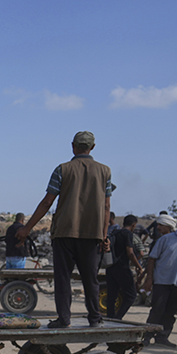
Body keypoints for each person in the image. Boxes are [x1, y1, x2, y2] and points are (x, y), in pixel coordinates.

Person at [17, 131, 113, 328]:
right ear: (93, 148)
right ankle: (94, 318)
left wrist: (27, 228)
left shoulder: (62, 169)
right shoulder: (105, 171)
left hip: (64, 233)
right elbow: (106, 207)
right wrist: (104, 235)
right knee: (90, 280)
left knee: (63, 279)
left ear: (73, 146)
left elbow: (46, 203)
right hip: (92, 234)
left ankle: (64, 319)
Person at [142, 213, 177, 347]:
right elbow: (152, 259)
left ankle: (162, 337)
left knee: (171, 311)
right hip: (162, 281)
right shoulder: (166, 239)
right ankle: (146, 336)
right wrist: (149, 279)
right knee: (157, 309)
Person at [104, 215, 143, 319]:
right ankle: (118, 318)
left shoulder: (114, 232)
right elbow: (130, 253)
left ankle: (110, 317)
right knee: (131, 295)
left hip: (111, 267)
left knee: (112, 295)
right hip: (122, 268)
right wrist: (138, 266)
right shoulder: (128, 234)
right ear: (133, 225)